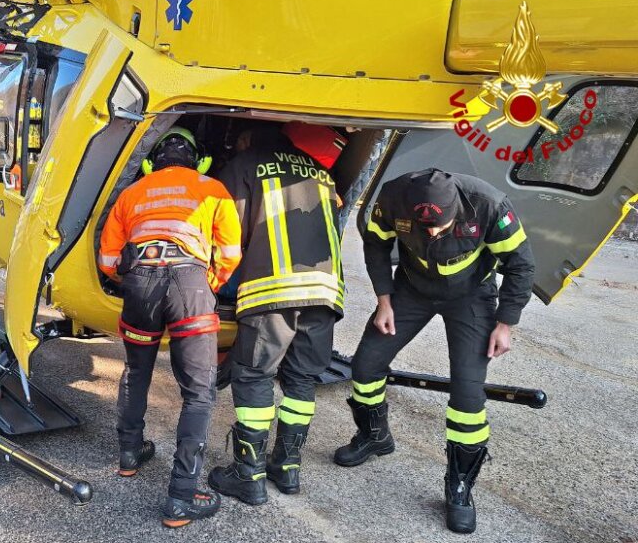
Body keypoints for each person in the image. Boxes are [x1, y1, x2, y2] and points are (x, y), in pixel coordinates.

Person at [334, 168, 535, 534]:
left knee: (467, 396)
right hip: (411, 290)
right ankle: (375, 436)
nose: (430, 234)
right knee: (365, 365)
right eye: (423, 227)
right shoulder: (393, 197)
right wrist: (384, 301)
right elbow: (376, 244)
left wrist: (505, 323)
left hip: (471, 296)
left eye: (439, 227)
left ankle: (459, 486)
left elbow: (521, 265)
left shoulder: (488, 205)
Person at [98, 126, 242, 528]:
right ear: (199, 161)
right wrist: (206, 284)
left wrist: (135, 282)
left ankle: (130, 454)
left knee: (136, 371)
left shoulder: (132, 192)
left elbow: (108, 261)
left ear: (151, 161)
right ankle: (181, 496)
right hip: (190, 284)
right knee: (198, 392)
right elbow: (230, 253)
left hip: (140, 284)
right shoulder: (212, 189)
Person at [209, 121, 348, 504]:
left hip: (273, 289)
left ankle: (248, 475)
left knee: (254, 374)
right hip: (325, 291)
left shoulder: (244, 165)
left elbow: (227, 232)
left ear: (247, 138)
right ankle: (287, 467)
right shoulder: (319, 171)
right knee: (301, 379)